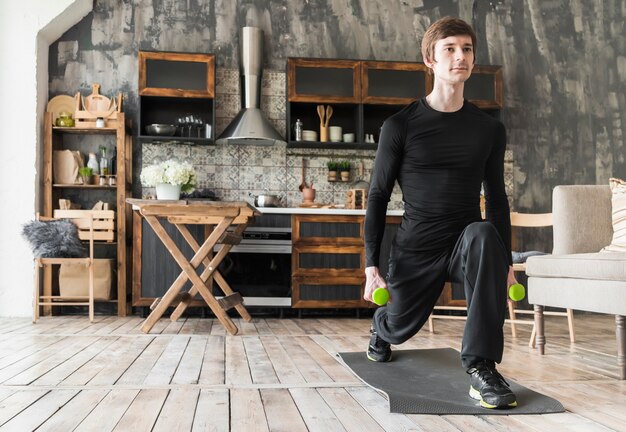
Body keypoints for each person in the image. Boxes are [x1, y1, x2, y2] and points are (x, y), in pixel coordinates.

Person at [363, 16, 518, 409]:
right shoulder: (399, 126)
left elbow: (496, 199)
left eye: (466, 49)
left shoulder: (488, 129)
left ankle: (481, 367)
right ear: (429, 60)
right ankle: (382, 327)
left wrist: (506, 261)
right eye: (449, 48)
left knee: (484, 235)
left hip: (466, 241)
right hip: (416, 247)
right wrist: (371, 265)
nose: (459, 56)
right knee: (398, 329)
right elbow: (379, 195)